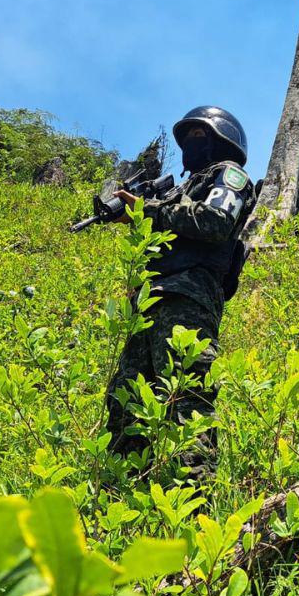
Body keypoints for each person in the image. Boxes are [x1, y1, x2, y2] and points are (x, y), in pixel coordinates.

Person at [104, 106, 256, 473]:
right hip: (150, 301)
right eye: (187, 137)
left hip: (190, 298)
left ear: (223, 142)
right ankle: (123, 493)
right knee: (126, 399)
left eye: (200, 136)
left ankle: (193, 503)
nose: (190, 143)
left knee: (186, 397)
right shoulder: (178, 190)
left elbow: (216, 220)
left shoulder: (230, 175)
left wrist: (149, 210)